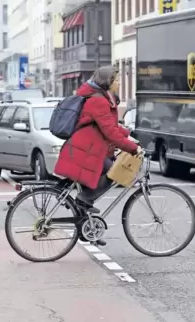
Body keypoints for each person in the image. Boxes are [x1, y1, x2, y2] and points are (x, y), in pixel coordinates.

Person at [54, 66, 141, 246]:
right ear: (107, 81)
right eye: (116, 79)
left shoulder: (101, 98)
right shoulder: (99, 101)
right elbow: (109, 132)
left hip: (88, 149)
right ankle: (84, 200)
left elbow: (110, 126)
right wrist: (132, 148)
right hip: (84, 151)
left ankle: (88, 228)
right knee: (114, 172)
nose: (119, 83)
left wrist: (127, 133)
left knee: (102, 176)